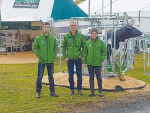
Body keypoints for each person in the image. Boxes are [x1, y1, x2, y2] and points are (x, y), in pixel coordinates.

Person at [33, 22, 59, 98]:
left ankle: (52, 92)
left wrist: (54, 55)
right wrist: (39, 55)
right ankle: (38, 92)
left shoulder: (52, 39)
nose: (46, 28)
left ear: (49, 28)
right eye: (45, 27)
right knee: (40, 77)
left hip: (50, 61)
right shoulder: (39, 38)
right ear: (43, 28)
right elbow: (35, 48)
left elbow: (56, 47)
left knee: (51, 77)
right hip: (42, 61)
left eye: (48, 27)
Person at [61, 20, 86, 95]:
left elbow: (84, 46)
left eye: (74, 25)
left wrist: (81, 54)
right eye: (72, 25)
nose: (73, 27)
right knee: (70, 75)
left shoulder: (80, 36)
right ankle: (71, 89)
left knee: (79, 74)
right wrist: (65, 56)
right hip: (70, 59)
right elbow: (63, 46)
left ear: (76, 26)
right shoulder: (66, 36)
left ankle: (79, 89)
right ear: (69, 27)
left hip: (78, 58)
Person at [83, 28, 107, 97]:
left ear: (97, 34)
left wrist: (101, 58)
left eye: (95, 33)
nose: (94, 35)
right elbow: (85, 52)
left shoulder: (101, 43)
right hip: (90, 63)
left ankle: (100, 91)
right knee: (91, 77)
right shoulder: (88, 43)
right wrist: (84, 61)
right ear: (91, 34)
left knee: (99, 77)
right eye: (92, 33)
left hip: (98, 63)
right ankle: (92, 91)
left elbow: (105, 51)